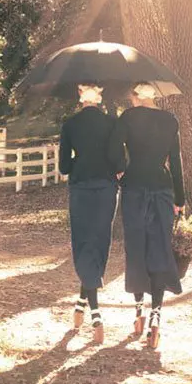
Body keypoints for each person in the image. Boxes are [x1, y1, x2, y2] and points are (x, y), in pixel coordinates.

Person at [109, 82, 185, 349]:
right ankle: (156, 316)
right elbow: (176, 160)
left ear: (136, 96)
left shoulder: (127, 118)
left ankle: (139, 313)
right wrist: (180, 199)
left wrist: (120, 170)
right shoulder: (169, 120)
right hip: (163, 189)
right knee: (160, 251)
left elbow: (113, 149)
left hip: (134, 189)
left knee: (137, 250)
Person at [59, 84, 119, 344]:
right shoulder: (111, 123)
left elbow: (63, 167)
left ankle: (93, 310)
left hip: (81, 187)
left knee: (83, 242)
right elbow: (120, 162)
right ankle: (87, 305)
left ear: (80, 96)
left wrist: (79, 161)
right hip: (106, 188)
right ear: (100, 97)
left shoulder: (70, 125)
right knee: (100, 241)